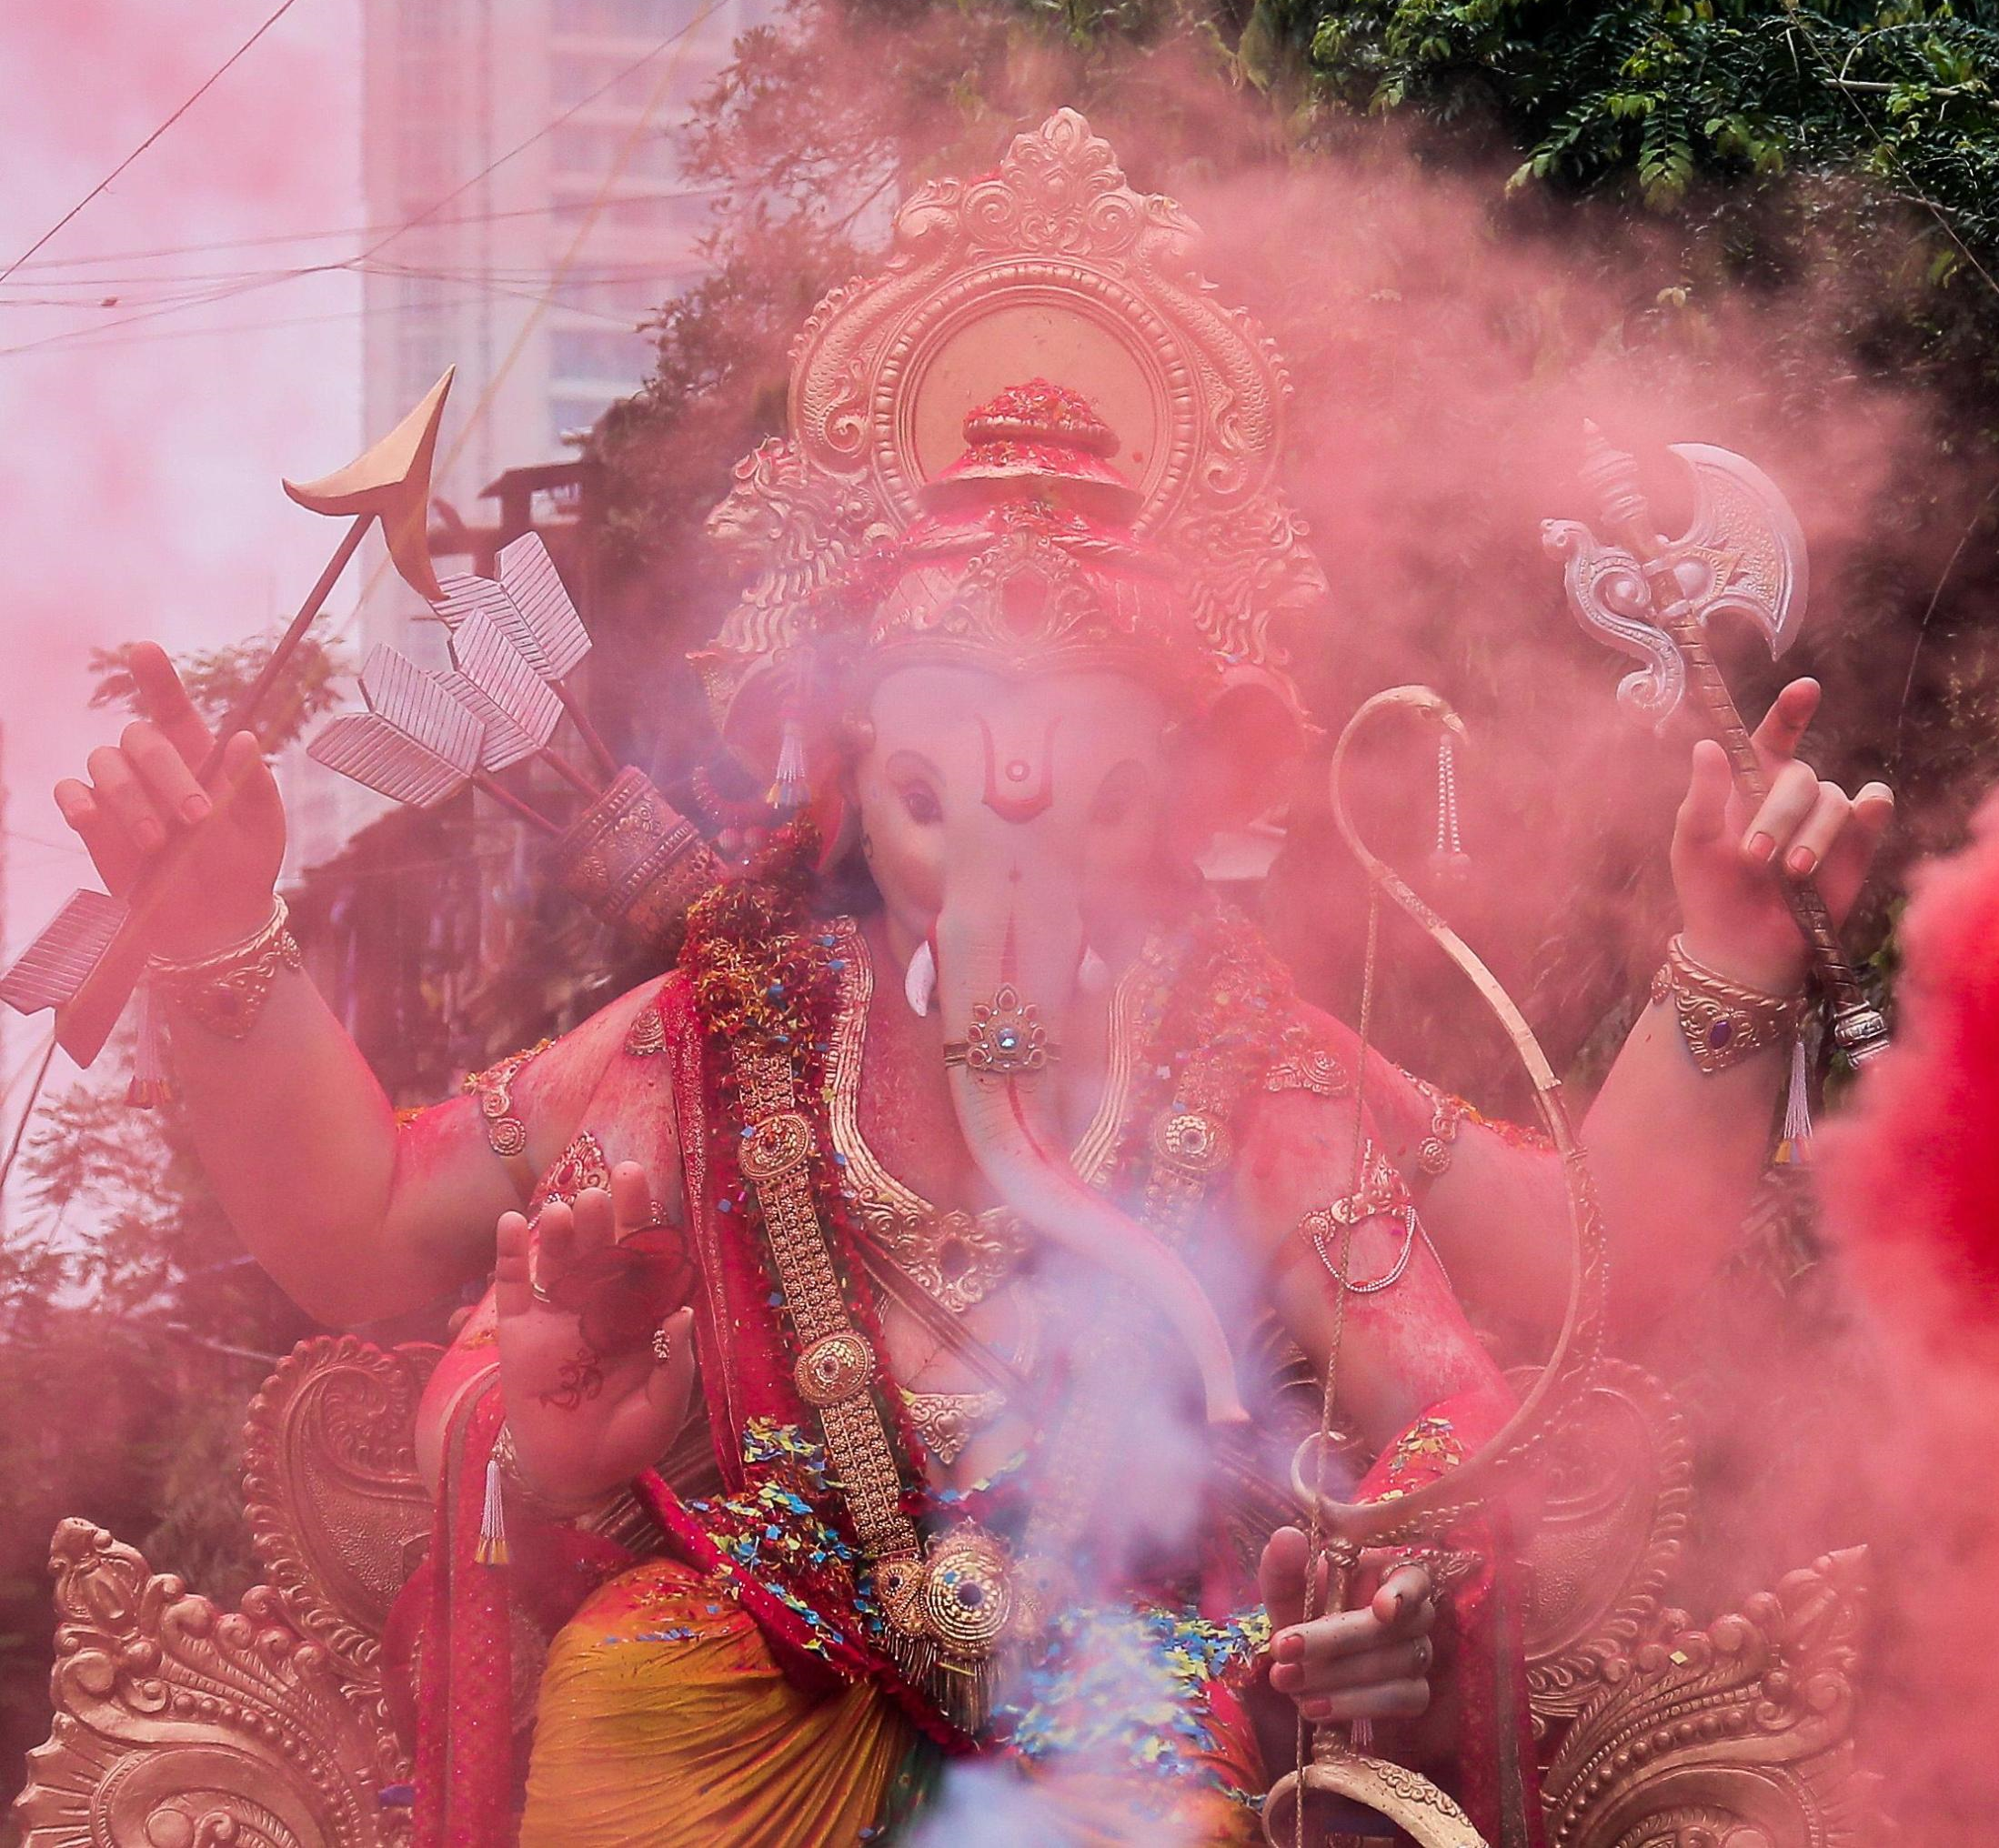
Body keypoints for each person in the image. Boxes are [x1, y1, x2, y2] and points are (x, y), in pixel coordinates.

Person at [50, 115, 1886, 1848]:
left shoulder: (1241, 1056)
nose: (1012, 826)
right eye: (940, 783)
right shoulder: (725, 1033)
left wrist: (1396, 1561)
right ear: (852, 779)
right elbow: (374, 1227)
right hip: (752, 1633)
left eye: (1084, 775)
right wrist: (221, 939)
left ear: (1191, 787)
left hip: (1123, 1669)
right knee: (623, 1684)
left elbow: (1547, 1304)